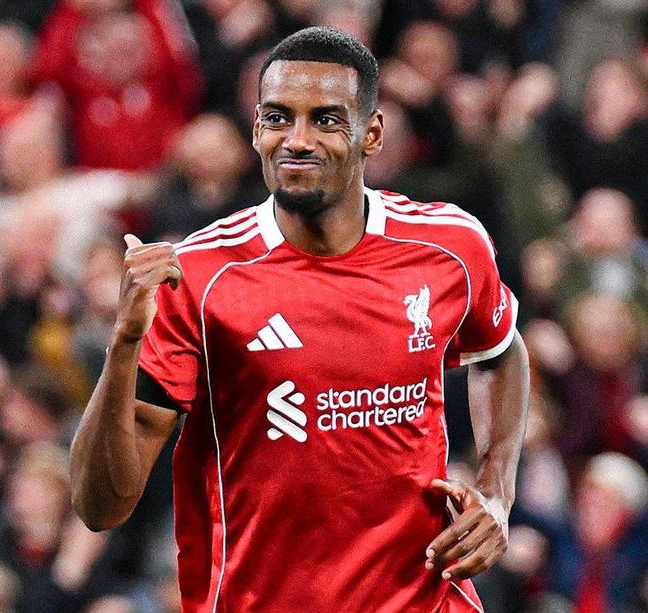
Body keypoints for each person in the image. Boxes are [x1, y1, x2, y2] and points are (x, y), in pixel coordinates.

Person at [70, 27, 530, 612]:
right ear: (256, 130)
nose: (298, 140)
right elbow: (100, 506)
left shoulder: (449, 246)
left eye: (326, 120)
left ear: (372, 134)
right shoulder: (200, 278)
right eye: (278, 118)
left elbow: (500, 351)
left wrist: (495, 491)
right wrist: (125, 341)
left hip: (426, 599)